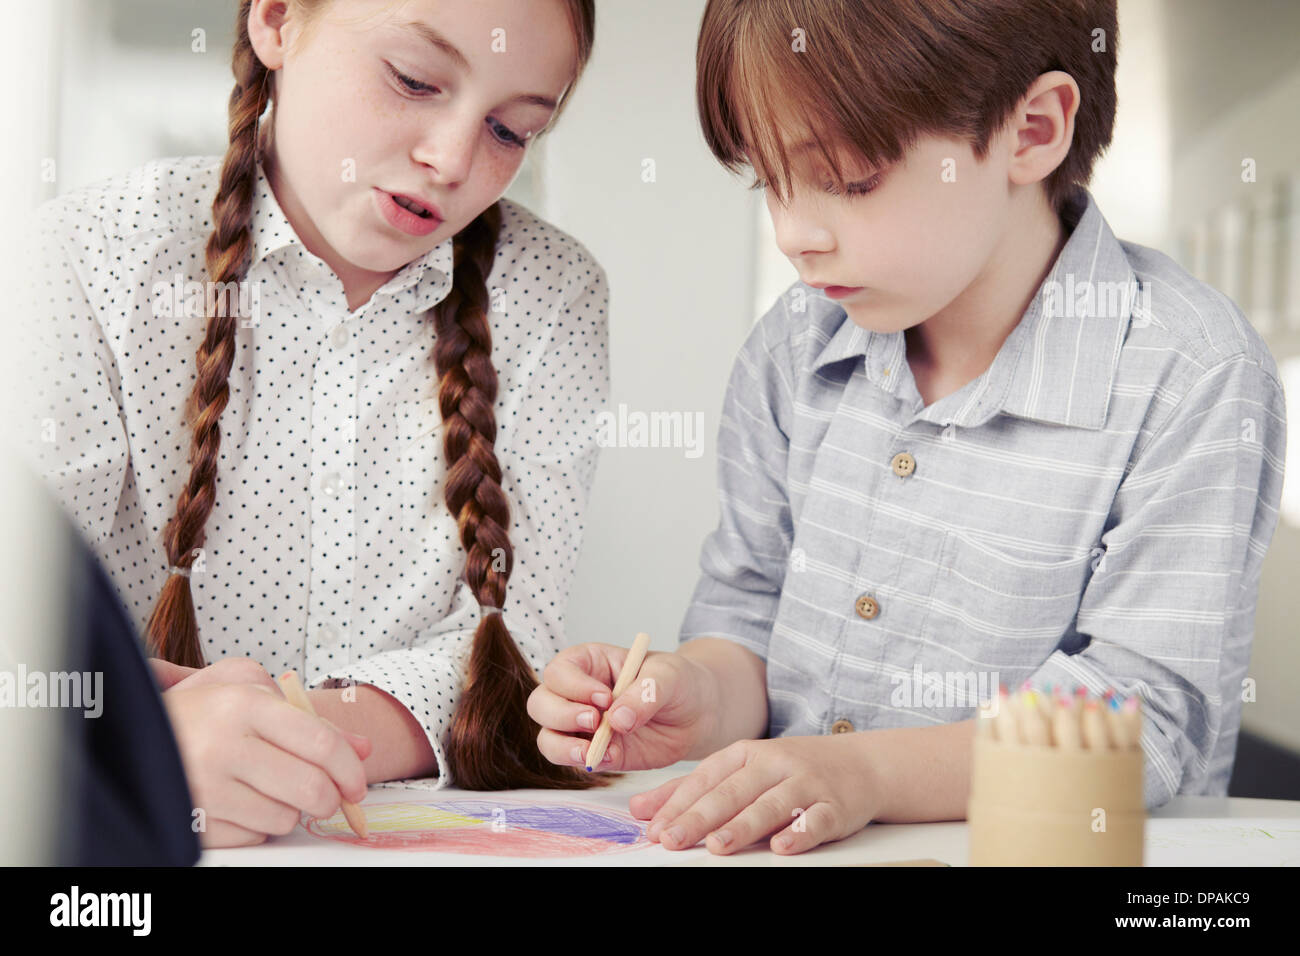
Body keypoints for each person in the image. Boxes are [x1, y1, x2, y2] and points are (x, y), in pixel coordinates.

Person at [529, 0, 1287, 856]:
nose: (793, 234)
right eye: (768, 181)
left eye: (849, 179)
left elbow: (1141, 720)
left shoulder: (1191, 372)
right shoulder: (793, 346)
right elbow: (747, 613)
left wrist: (869, 775)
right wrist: (694, 693)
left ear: (1032, 130)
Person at [18, 0, 609, 849]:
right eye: (413, 79)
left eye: (511, 132)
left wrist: (291, 742)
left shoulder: (553, 297)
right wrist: (143, 741)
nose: (449, 161)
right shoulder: (87, 260)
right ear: (277, 19)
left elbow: (514, 642)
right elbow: (25, 623)